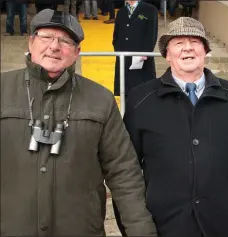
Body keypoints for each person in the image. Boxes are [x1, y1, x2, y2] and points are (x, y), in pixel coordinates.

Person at [0, 9, 156, 236]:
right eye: (46, 37)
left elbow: (123, 173)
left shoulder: (100, 99)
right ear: (31, 42)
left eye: (65, 41)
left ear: (77, 52)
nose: (54, 46)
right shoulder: (2, 89)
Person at [110, 17, 228, 237]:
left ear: (205, 51)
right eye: (178, 43)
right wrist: (133, 228)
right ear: (166, 53)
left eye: (195, 41)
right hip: (165, 227)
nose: (188, 48)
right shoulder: (141, 100)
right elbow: (125, 170)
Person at [112, 0, 158, 99]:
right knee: (126, 93)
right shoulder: (121, 12)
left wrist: (145, 53)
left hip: (142, 60)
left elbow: (152, 34)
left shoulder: (150, 10)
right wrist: (119, 51)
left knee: (144, 93)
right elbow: (116, 35)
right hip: (124, 59)